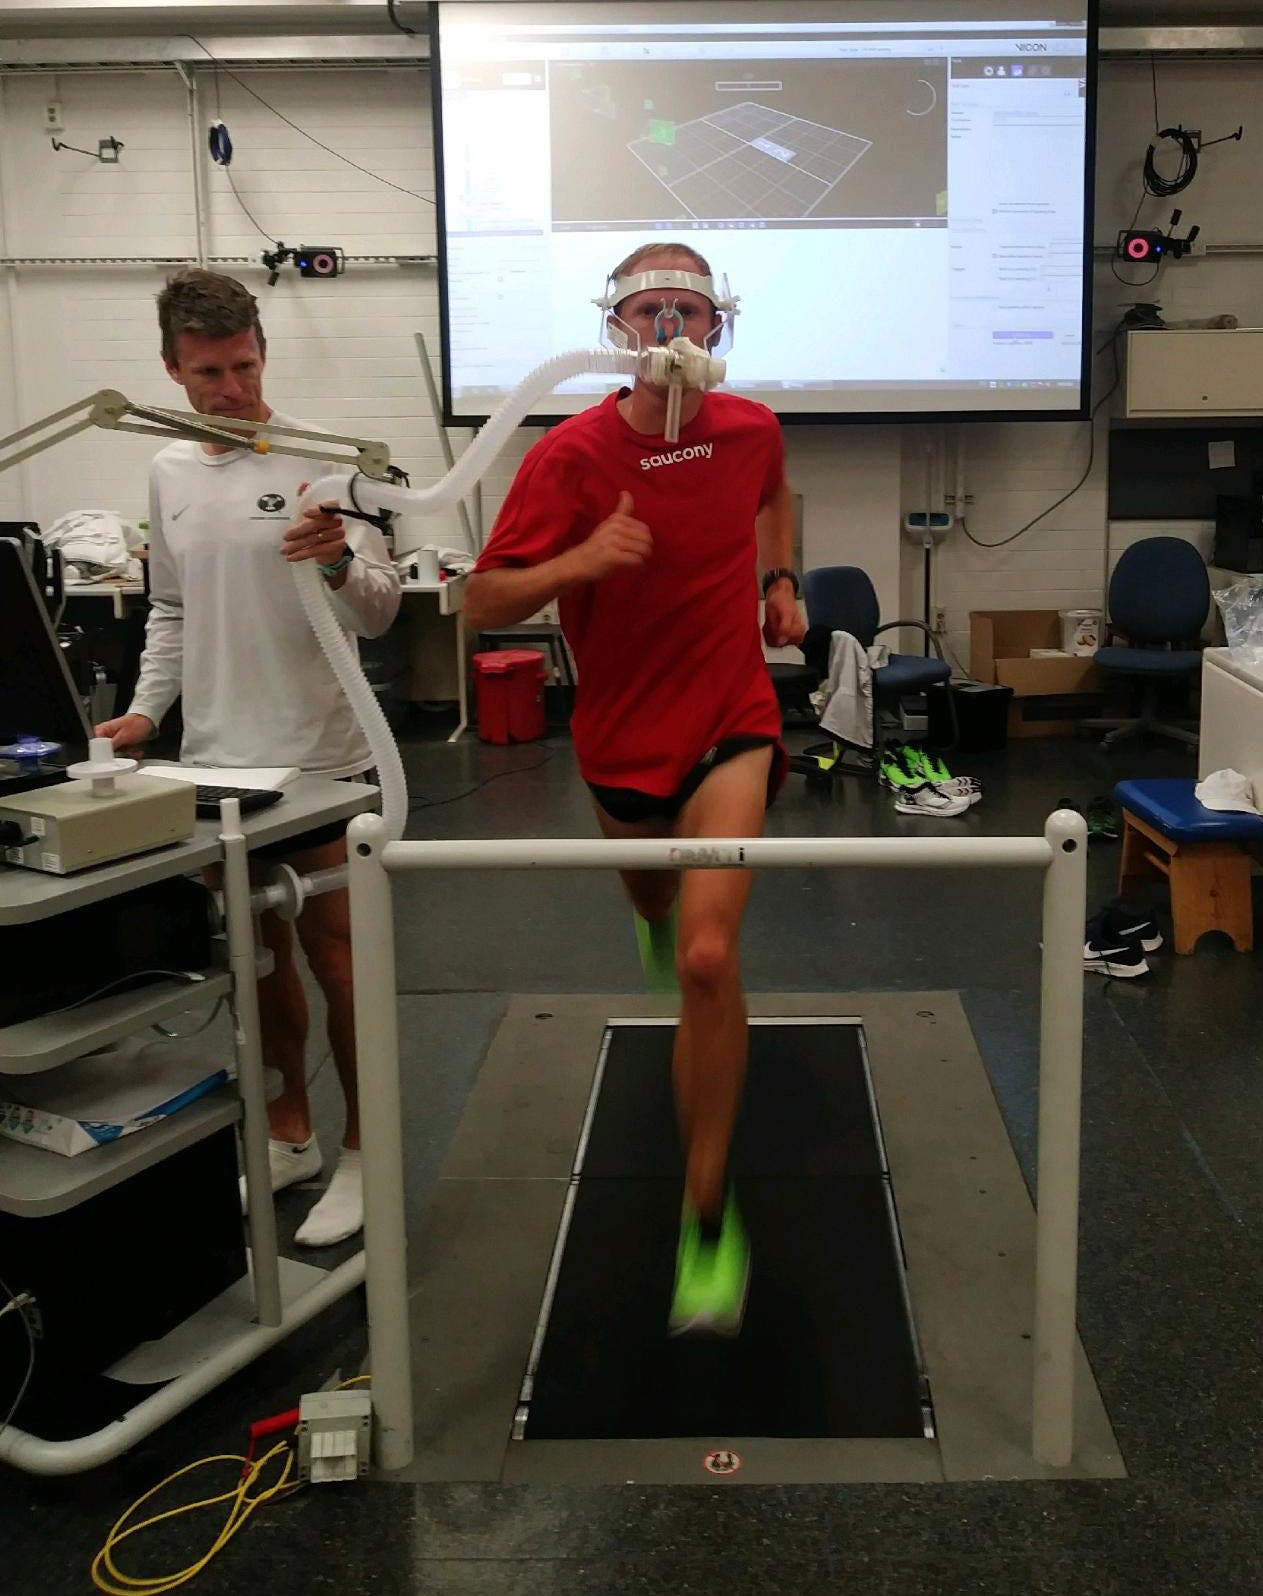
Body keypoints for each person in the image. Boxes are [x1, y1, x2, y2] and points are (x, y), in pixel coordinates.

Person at [464, 242, 805, 1333]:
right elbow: (481, 602)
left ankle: (708, 1215)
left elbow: (776, 496)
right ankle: (652, 920)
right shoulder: (568, 454)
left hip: (731, 721)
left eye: (689, 312)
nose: (669, 330)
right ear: (617, 329)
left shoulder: (751, 427)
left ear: (718, 329)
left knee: (711, 953)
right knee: (656, 909)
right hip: (621, 738)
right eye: (649, 311)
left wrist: (782, 581)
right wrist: (579, 565)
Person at [94, 268, 401, 1247]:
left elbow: (382, 608)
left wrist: (339, 560)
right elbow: (173, 609)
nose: (230, 389)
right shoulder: (168, 473)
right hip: (222, 762)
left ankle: (365, 1152)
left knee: (341, 960)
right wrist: (146, 715)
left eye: (243, 366)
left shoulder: (320, 461)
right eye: (207, 373)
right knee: (258, 959)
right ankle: (289, 1133)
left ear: (263, 355)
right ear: (171, 370)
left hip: (324, 758)